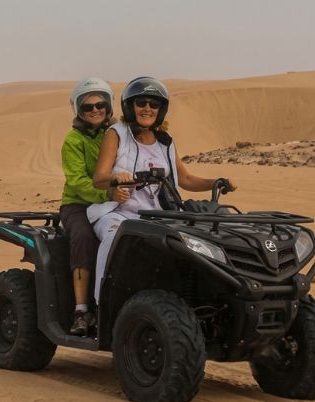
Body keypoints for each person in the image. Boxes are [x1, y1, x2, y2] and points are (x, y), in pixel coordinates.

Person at [90, 77, 235, 301]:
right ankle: (103, 303)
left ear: (161, 109)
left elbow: (185, 178)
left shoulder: (164, 141)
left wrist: (216, 181)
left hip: (159, 215)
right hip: (119, 213)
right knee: (114, 238)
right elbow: (99, 177)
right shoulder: (117, 133)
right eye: (141, 103)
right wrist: (116, 177)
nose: (147, 108)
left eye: (154, 104)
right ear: (130, 106)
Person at [60, 77, 128, 336]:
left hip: (117, 200)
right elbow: (77, 182)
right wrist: (107, 193)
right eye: (88, 107)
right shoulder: (74, 140)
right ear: (78, 110)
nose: (96, 110)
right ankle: (81, 310)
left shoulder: (118, 134)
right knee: (83, 238)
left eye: (101, 104)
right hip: (78, 203)